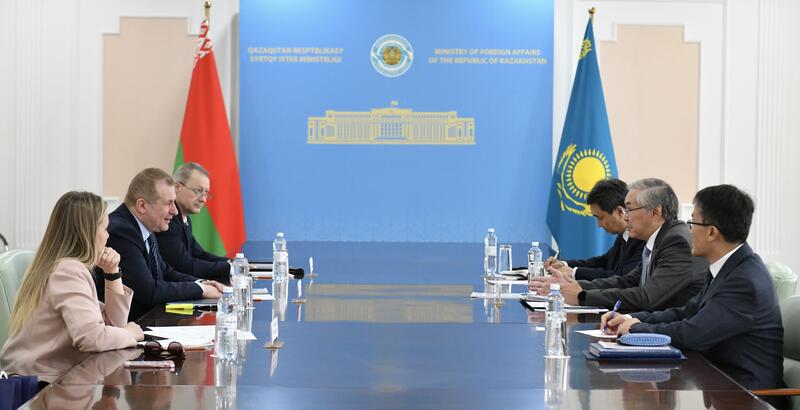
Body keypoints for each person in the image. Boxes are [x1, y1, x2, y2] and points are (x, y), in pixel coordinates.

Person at [603, 184, 785, 392]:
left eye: (692, 223)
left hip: (746, 396)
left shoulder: (745, 281)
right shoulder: (728, 267)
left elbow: (693, 334)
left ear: (711, 232)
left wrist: (636, 329)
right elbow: (686, 312)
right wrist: (629, 319)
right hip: (717, 385)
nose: (688, 231)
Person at [0, 191, 143, 384]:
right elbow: (92, 338)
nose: (108, 236)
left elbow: (113, 326)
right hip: (37, 386)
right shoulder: (67, 271)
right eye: (105, 229)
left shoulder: (62, 266)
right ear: (88, 233)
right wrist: (130, 334)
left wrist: (112, 273)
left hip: (41, 379)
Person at [530, 178, 707, 311]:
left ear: (655, 212)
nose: (625, 216)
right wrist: (573, 286)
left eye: (629, 209)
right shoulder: (659, 238)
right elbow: (627, 281)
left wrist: (582, 296)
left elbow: (647, 296)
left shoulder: (676, 242)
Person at [106, 168, 222, 321]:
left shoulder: (146, 224)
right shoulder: (121, 232)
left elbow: (165, 272)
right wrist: (201, 290)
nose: (175, 211)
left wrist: (202, 283)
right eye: (168, 203)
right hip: (131, 327)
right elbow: (149, 291)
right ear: (142, 206)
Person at [545, 178, 645, 281]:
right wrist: (564, 264)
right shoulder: (624, 235)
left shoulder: (642, 238)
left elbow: (623, 277)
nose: (598, 225)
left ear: (619, 212)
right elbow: (604, 261)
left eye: (600, 217)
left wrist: (573, 272)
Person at [156, 162, 230, 281]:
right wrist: (229, 268)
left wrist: (231, 262)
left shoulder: (185, 219)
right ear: (177, 187)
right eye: (198, 191)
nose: (203, 199)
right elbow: (184, 266)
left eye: (206, 193)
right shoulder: (168, 219)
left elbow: (200, 254)